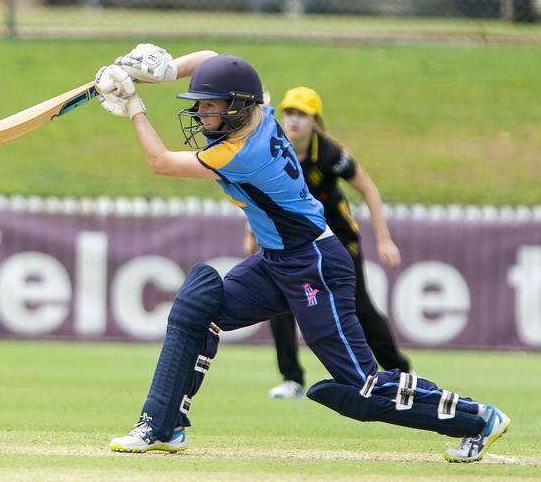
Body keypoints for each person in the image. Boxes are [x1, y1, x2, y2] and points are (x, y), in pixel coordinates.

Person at [93, 44, 509, 463]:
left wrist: (133, 104)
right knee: (199, 306)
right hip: (278, 260)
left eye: (209, 106)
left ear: (237, 108)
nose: (200, 113)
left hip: (316, 264)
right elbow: (213, 58)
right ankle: (162, 425)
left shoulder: (240, 155)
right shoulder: (263, 110)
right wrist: (166, 71)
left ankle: (478, 418)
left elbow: (160, 162)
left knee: (362, 385)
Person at [244, 86, 410, 399]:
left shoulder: (330, 154)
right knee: (280, 303)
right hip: (294, 242)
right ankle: (291, 378)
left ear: (315, 121)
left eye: (302, 114)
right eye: (289, 112)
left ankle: (400, 373)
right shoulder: (273, 149)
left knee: (360, 308)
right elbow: (256, 195)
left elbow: (370, 190)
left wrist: (384, 240)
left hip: (339, 242)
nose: (293, 120)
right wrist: (251, 234)